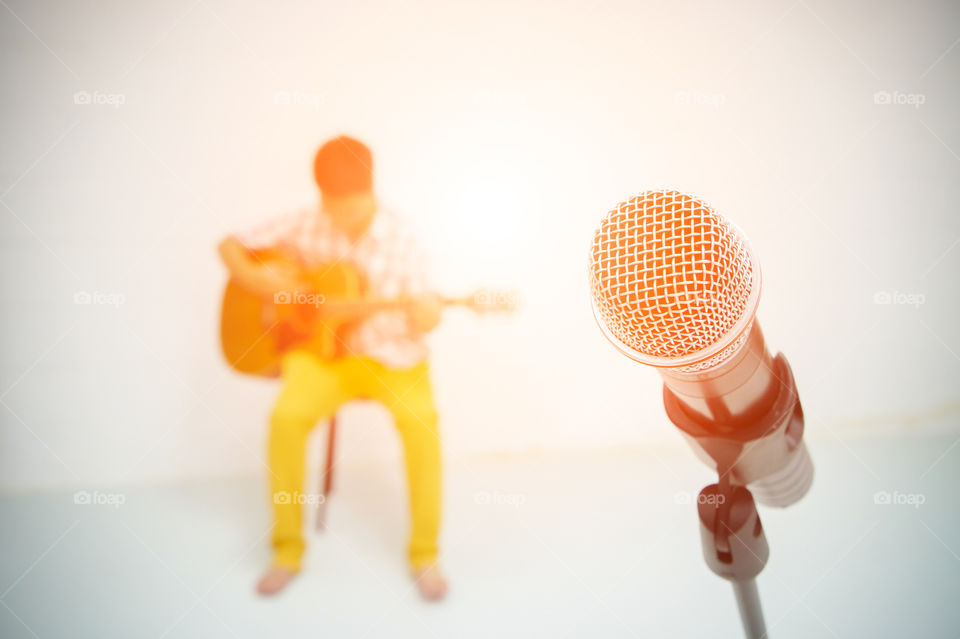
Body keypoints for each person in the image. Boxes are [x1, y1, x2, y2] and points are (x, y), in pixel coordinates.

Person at [218, 136, 448, 600]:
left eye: (353, 204)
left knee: (421, 422)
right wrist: (262, 281)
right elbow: (230, 246)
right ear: (320, 195)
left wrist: (428, 313)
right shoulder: (306, 222)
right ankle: (287, 551)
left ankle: (425, 555)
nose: (341, 215)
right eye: (332, 204)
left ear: (372, 190)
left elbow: (426, 312)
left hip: (392, 358)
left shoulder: (404, 238)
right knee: (285, 418)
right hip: (323, 358)